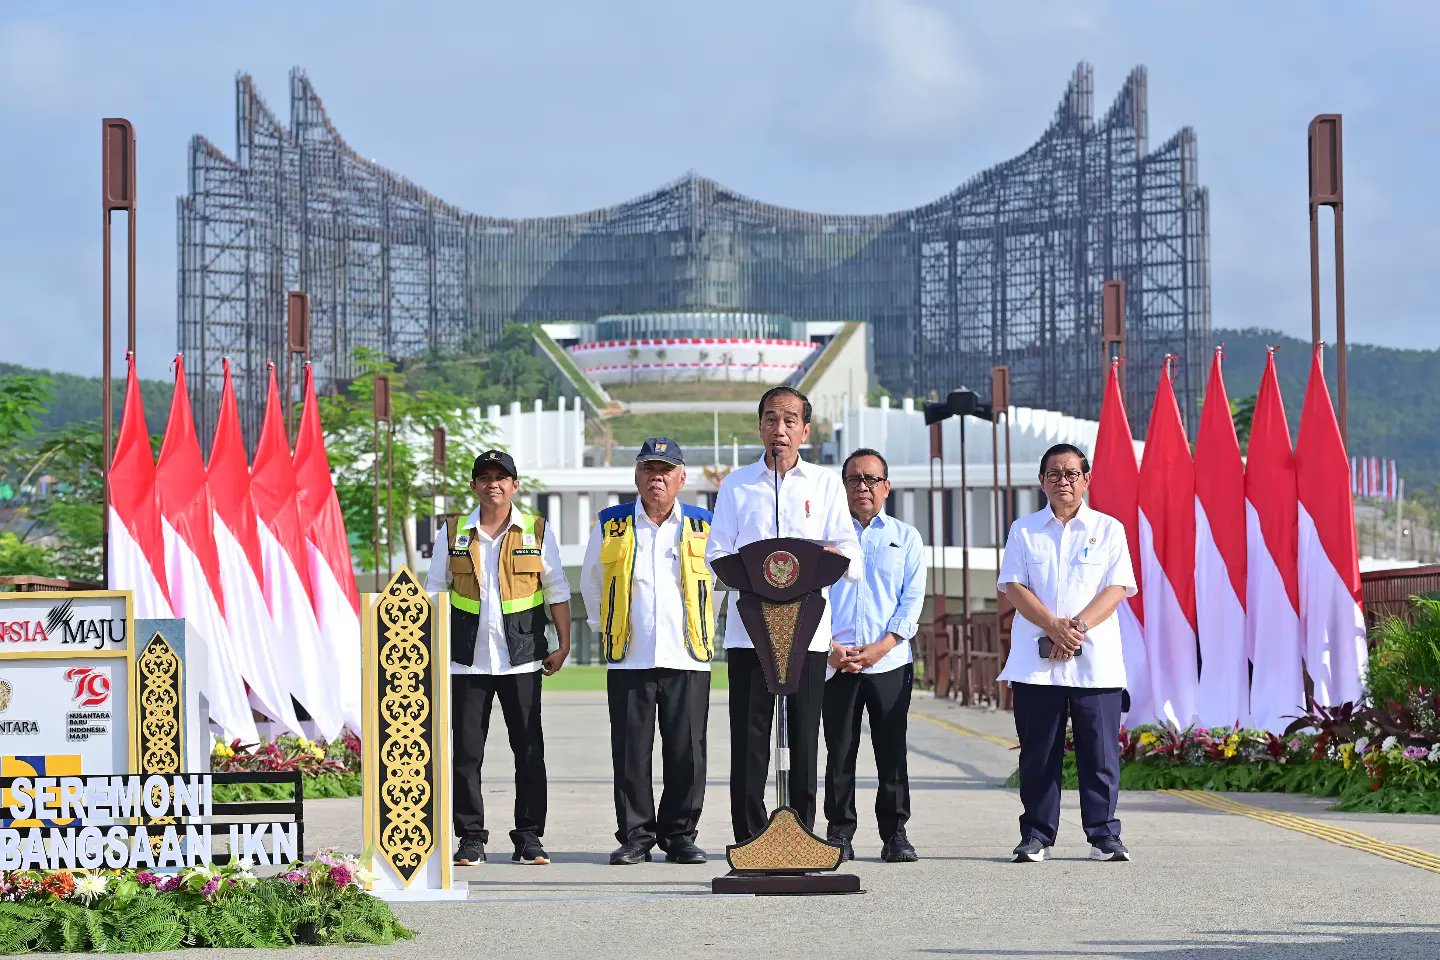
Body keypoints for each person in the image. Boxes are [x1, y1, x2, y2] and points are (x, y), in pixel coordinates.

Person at [706, 386, 862, 844]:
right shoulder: (737, 484)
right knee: (751, 740)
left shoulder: (826, 484)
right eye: (771, 419)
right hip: (749, 633)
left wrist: (816, 555)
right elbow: (717, 554)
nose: (780, 429)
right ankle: (752, 838)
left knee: (804, 738)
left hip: (809, 634)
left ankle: (802, 837)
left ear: (806, 431)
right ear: (760, 427)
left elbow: (850, 555)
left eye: (790, 420)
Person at [426, 450, 572, 867]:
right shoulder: (453, 532)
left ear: (515, 485)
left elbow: (557, 589)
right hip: (465, 661)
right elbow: (435, 591)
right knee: (467, 754)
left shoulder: (537, 531)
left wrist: (562, 644)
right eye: (485, 476)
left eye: (501, 477)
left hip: (522, 659)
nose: (494, 483)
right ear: (473, 485)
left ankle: (529, 838)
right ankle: (470, 838)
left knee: (529, 750)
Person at [996, 443, 1135, 863]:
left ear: (1086, 480)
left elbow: (1116, 588)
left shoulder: (1109, 529)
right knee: (1039, 752)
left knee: (1101, 753)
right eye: (1054, 474)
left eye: (1072, 474)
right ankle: (1037, 835)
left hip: (1095, 662)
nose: (1063, 482)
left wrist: (1076, 629)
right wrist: (1053, 625)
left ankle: (1104, 835)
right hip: (1038, 664)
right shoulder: (1024, 529)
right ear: (1041, 482)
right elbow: (1014, 587)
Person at [580, 438, 716, 866]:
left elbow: (723, 585)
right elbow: (591, 583)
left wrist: (709, 627)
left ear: (681, 478)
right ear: (636, 475)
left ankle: (680, 836)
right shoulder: (611, 523)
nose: (656, 478)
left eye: (665, 470)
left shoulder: (703, 524)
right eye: (648, 469)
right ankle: (636, 836)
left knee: (687, 753)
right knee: (631, 752)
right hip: (630, 655)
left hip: (687, 654)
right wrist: (605, 629)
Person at [823, 448, 924, 864]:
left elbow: (911, 601)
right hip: (836, 662)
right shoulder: (825, 540)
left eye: (870, 479)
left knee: (891, 751)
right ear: (842, 486)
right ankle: (839, 834)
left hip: (889, 662)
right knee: (839, 752)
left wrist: (882, 647)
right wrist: (830, 650)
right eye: (853, 480)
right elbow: (815, 597)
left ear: (886, 486)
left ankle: (895, 834)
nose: (862, 487)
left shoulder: (906, 537)